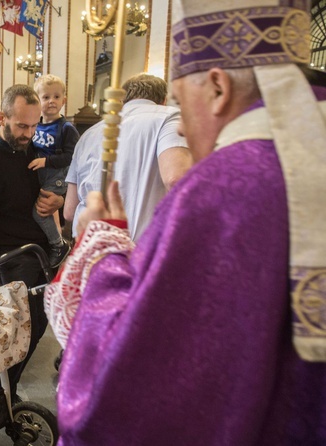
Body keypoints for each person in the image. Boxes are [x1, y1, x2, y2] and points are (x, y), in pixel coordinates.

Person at [49, 0, 326, 444]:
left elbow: (121, 394)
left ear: (217, 86)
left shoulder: (224, 188)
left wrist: (101, 250)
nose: (179, 128)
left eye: (179, 104)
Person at [0, 84, 65, 402]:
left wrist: (57, 201)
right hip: (7, 262)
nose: (29, 133)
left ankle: (7, 389)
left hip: (40, 256)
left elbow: (53, 185)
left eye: (35, 125)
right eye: (22, 125)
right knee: (11, 336)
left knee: (36, 329)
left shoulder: (31, 148)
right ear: (1, 117)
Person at [64, 73, 192, 240]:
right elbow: (176, 179)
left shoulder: (88, 134)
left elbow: (69, 211)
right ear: (163, 100)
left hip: (88, 247)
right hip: (138, 250)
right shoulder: (169, 117)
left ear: (122, 101)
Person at [30, 74, 79, 266]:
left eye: (56, 97)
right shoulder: (36, 125)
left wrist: (46, 161)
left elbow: (71, 157)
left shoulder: (66, 128)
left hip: (57, 175)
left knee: (40, 212)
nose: (51, 101)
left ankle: (59, 244)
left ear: (63, 100)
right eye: (46, 97)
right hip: (40, 175)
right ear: (38, 100)